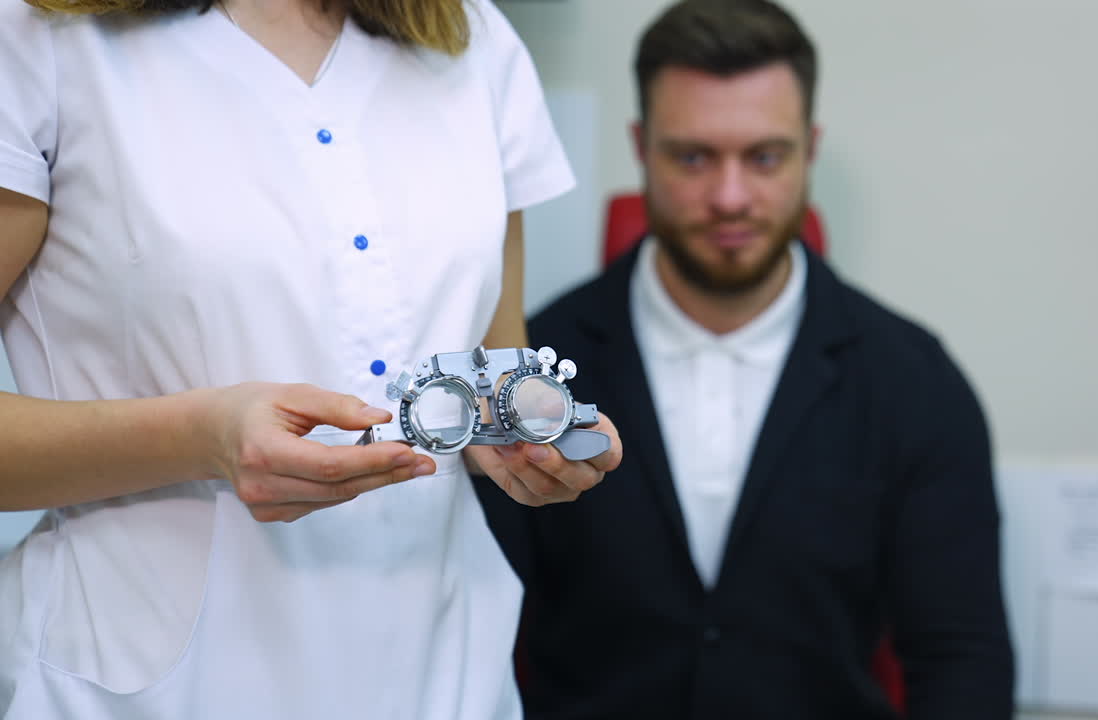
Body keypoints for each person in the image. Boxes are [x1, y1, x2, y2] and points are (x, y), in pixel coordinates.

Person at [0, 0, 621, 717]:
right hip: (146, 690)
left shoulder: (471, 35)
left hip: (445, 675)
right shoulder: (39, 37)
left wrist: (528, 431)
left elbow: (493, 369)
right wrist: (202, 439)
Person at [473, 0, 1014, 717]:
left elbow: (962, 662)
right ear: (640, 148)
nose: (730, 197)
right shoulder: (534, 375)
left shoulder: (914, 383)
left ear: (809, 150)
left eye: (763, 157)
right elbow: (476, 626)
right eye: (693, 157)